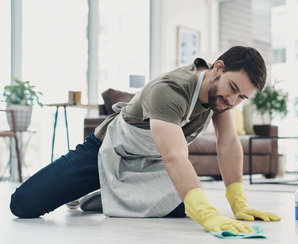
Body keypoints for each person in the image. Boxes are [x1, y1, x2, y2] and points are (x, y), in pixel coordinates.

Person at [9, 46, 280, 234]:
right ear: (217, 68)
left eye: (241, 97)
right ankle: (98, 186)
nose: (232, 101)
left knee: (178, 208)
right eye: (232, 89)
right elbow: (174, 157)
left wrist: (238, 202)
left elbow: (229, 144)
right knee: (24, 204)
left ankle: (105, 196)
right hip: (109, 152)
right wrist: (207, 215)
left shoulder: (220, 100)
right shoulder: (171, 89)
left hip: (150, 162)